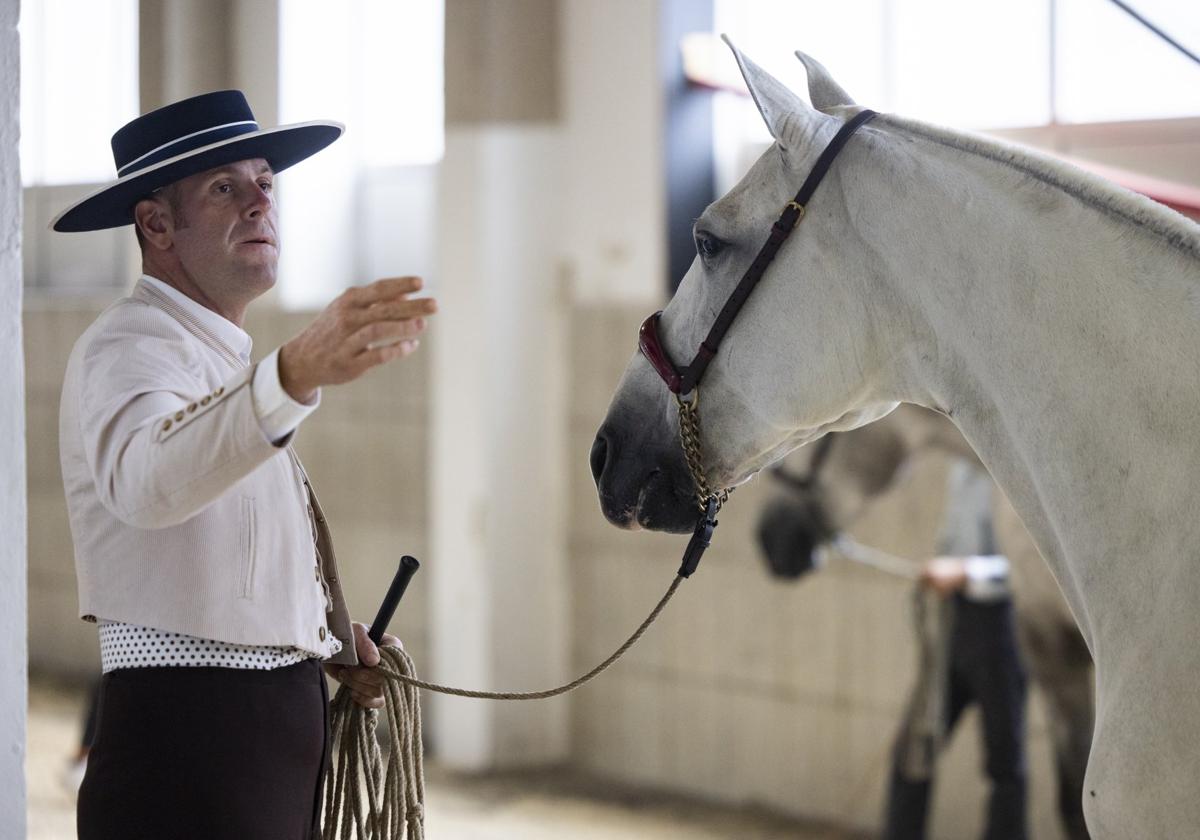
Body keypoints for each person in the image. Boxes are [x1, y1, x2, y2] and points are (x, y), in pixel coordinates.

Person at [52, 89, 438, 839]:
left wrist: (316, 636)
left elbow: (220, 555)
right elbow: (148, 482)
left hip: (242, 764)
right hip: (184, 758)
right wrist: (288, 376)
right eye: (225, 187)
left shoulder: (218, 360)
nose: (260, 202)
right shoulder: (127, 347)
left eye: (265, 180)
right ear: (156, 223)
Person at [883, 460, 1028, 840]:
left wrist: (964, 572)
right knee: (913, 749)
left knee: (1006, 764)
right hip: (955, 624)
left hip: (1004, 629)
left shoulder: (1019, 473)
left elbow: (1031, 568)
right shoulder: (961, 468)